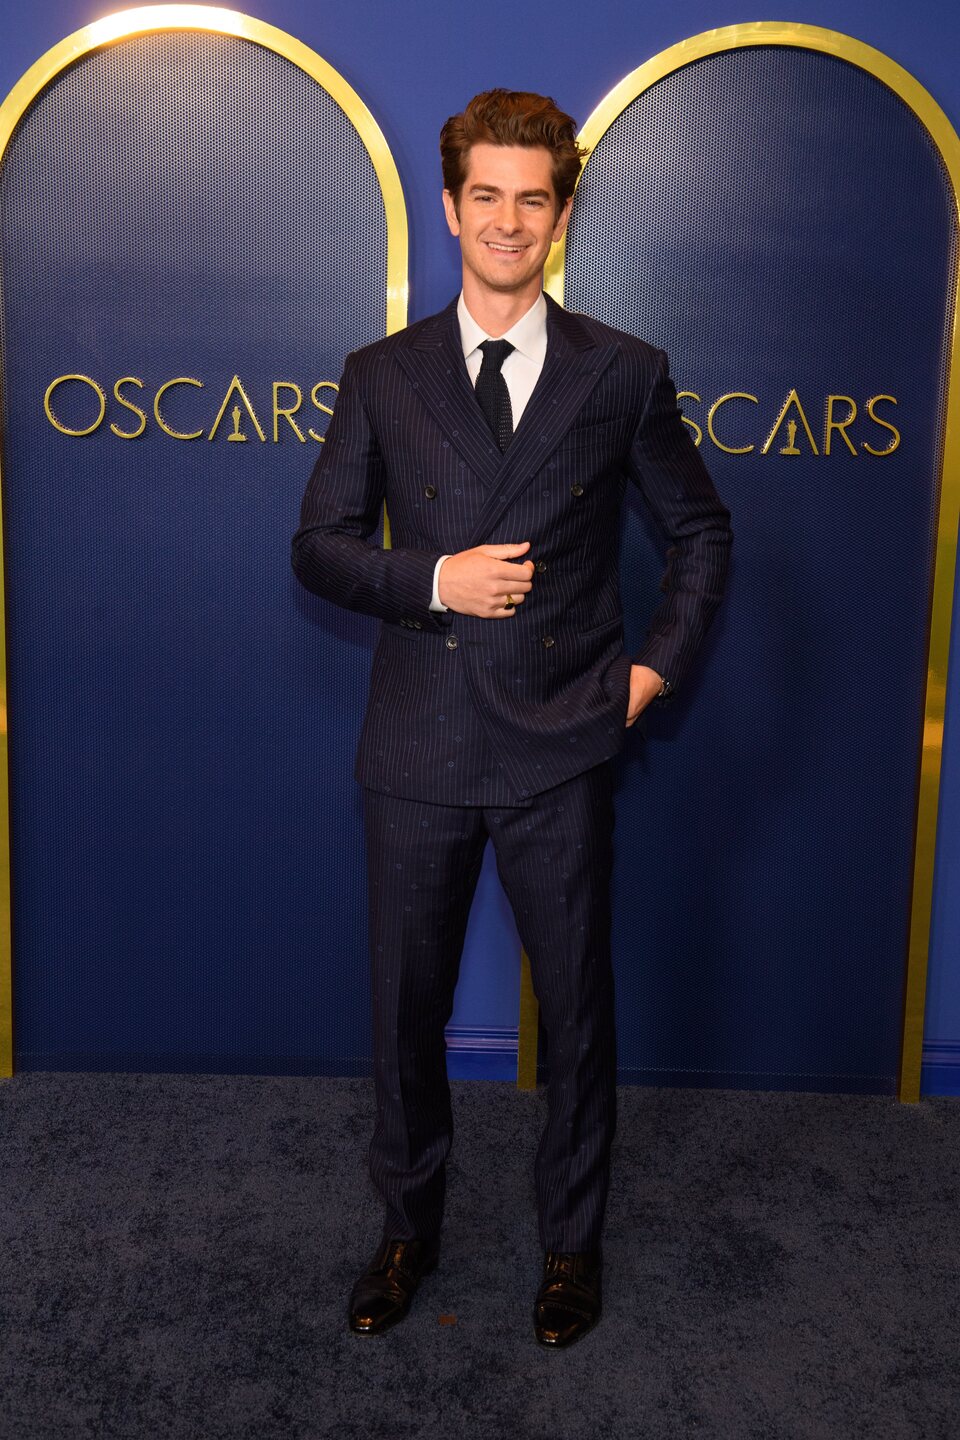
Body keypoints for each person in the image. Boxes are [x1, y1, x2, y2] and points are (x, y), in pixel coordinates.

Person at [291, 88, 732, 1348]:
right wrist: (434, 578)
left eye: (531, 198)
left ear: (562, 212)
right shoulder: (380, 374)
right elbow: (317, 548)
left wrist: (647, 677)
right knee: (404, 1014)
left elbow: (701, 533)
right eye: (484, 195)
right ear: (450, 207)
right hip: (419, 747)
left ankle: (569, 1249)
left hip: (562, 743)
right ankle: (406, 1231)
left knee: (581, 1015)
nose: (506, 220)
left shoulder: (623, 371)